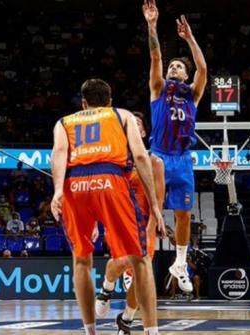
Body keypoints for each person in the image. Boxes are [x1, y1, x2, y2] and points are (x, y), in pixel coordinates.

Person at [51, 78, 165, 335]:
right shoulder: (121, 115)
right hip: (111, 179)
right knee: (141, 259)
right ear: (110, 101)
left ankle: (90, 331)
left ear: (83, 103)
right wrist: (155, 205)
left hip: (74, 184)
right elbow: (138, 156)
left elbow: (59, 152)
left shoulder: (64, 122)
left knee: (81, 261)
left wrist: (58, 190)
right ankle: (151, 331)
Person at [144, 0, 207, 293]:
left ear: (185, 74)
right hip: (158, 156)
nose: (174, 67)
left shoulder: (192, 94)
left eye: (179, 66)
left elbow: (203, 69)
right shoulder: (158, 90)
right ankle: (142, 259)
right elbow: (156, 57)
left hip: (182, 159)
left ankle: (180, 263)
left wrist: (189, 38)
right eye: (173, 65)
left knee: (184, 215)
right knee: (151, 211)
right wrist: (152, 25)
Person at [94, 112, 166, 335]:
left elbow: (159, 198)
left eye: (137, 125)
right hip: (120, 219)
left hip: (145, 222)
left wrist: (153, 224)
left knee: (141, 274)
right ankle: (107, 287)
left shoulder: (154, 162)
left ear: (143, 132)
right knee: (124, 261)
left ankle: (126, 319)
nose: (133, 128)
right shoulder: (113, 161)